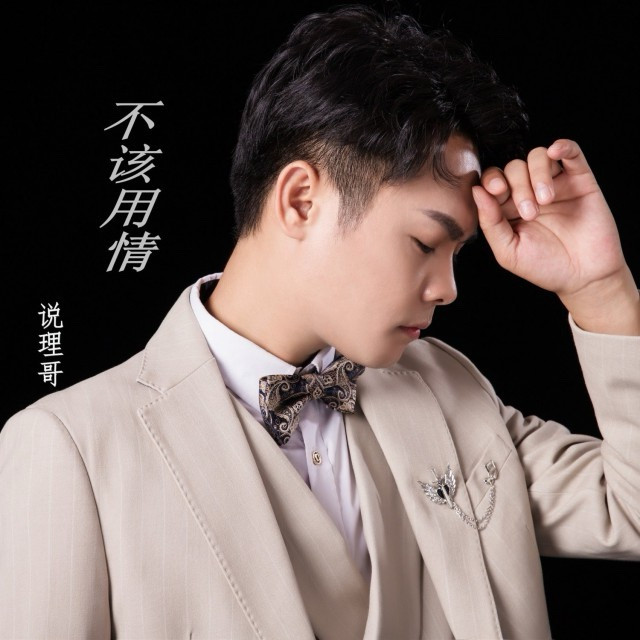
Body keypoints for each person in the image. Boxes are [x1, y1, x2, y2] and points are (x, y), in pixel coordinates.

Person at [1, 3, 639, 639]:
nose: (447, 289)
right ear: (301, 200)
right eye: (425, 243)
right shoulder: (73, 446)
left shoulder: (447, 390)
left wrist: (600, 288)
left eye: (455, 254)